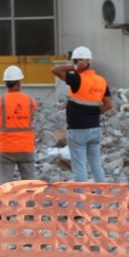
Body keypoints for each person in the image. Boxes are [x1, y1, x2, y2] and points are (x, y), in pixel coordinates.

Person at [51, 45, 112, 182]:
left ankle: (81, 198)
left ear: (77, 62)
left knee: (79, 166)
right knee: (96, 164)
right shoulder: (101, 81)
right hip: (95, 128)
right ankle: (103, 194)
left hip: (78, 130)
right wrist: (95, 113)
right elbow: (109, 105)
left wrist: (75, 68)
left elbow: (55, 70)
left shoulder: (77, 79)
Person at [0, 65, 37, 182]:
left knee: (4, 182)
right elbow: (30, 117)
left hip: (6, 148)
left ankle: (3, 200)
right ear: (19, 83)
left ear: (6, 83)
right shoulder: (30, 101)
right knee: (29, 182)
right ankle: (30, 200)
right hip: (26, 147)